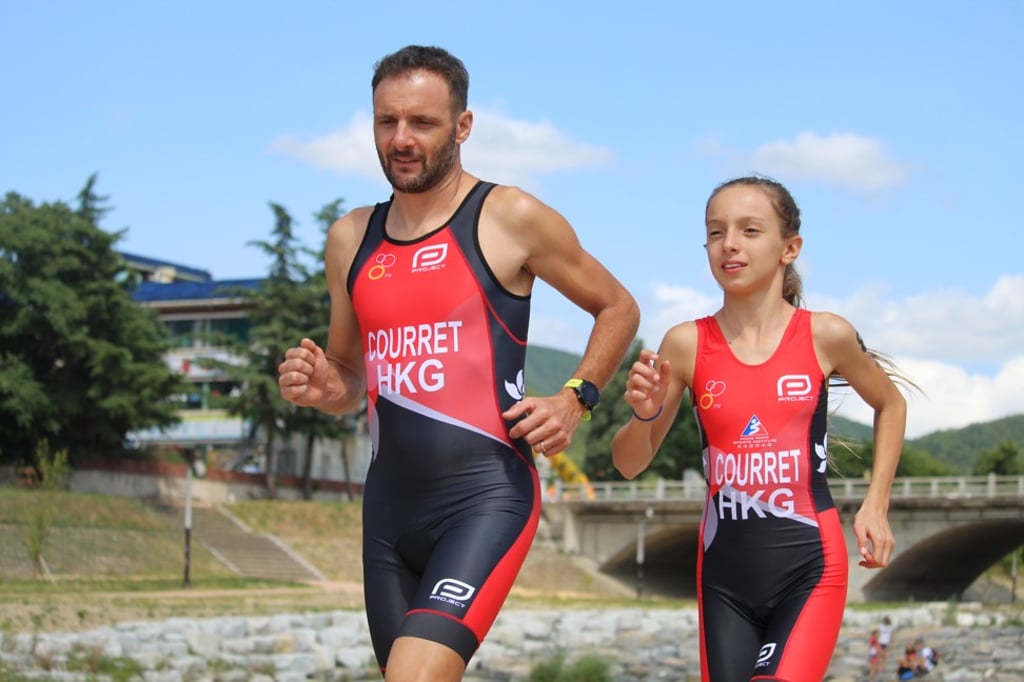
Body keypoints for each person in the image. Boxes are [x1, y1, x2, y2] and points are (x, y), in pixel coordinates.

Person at [277, 45, 639, 681]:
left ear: (463, 127)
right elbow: (350, 375)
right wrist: (320, 385)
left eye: (422, 122)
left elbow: (617, 307)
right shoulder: (350, 238)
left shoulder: (509, 217)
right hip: (388, 510)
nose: (402, 139)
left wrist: (574, 397)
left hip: (486, 496)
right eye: (387, 122)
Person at [611, 176, 909, 681]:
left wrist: (876, 503)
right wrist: (643, 413)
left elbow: (891, 404)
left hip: (810, 570)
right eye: (715, 232)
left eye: (750, 230)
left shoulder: (825, 335)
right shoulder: (685, 344)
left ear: (789, 248)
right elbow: (629, 464)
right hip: (723, 580)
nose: (729, 243)